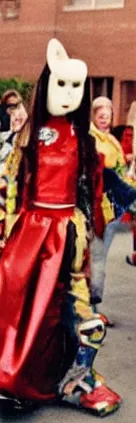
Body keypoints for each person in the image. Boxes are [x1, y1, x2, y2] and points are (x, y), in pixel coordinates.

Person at [0, 39, 126, 416]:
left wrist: (99, 217)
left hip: (69, 233)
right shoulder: (28, 136)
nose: (67, 94)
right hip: (30, 233)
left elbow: (100, 188)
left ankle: (81, 380)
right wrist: (0, 222)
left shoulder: (88, 140)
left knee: (82, 314)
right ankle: (16, 380)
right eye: (60, 84)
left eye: (75, 86)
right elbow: (11, 184)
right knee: (22, 310)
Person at [86, 96, 129, 324]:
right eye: (101, 116)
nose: (105, 120)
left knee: (97, 258)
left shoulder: (110, 140)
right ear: (93, 116)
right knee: (94, 258)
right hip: (95, 208)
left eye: (108, 116)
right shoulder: (91, 139)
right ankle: (89, 309)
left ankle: (90, 306)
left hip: (110, 209)